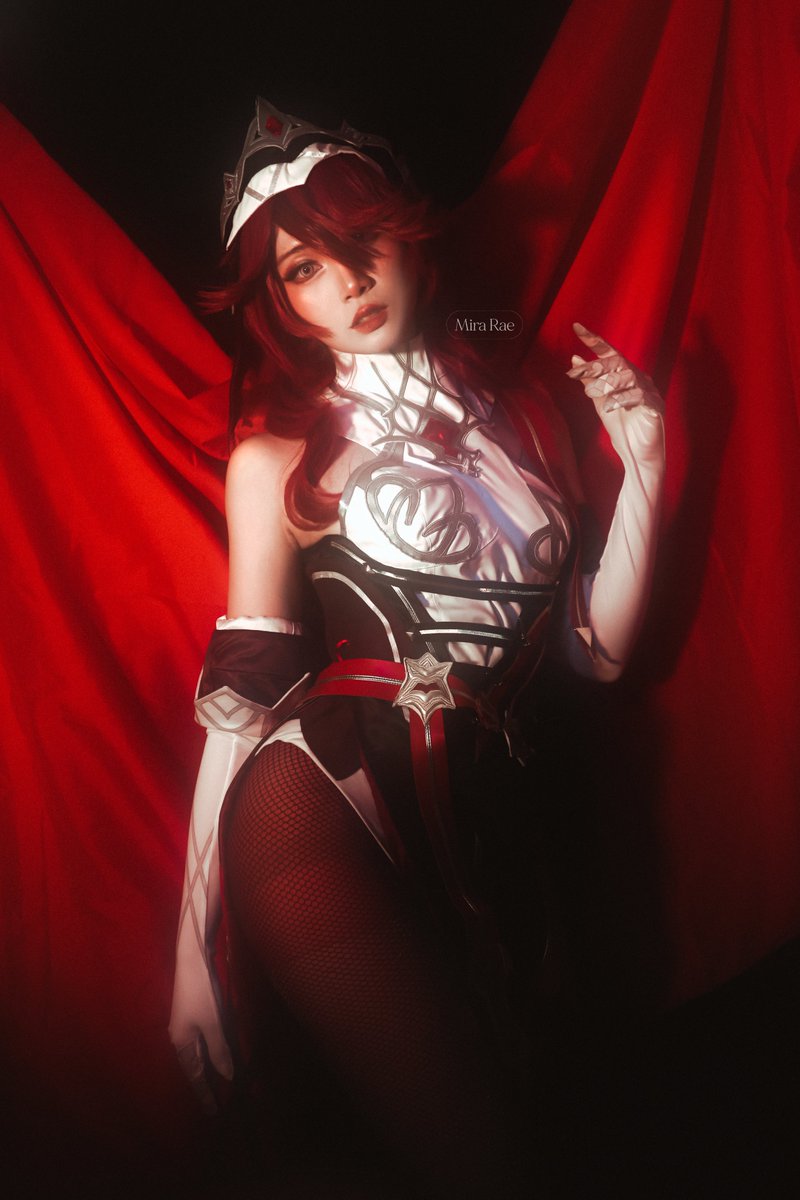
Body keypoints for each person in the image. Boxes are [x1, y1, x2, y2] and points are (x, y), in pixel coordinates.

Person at [168, 99, 665, 1197]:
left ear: (408, 233)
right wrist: (194, 956)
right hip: (315, 806)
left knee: (564, 1119)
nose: (347, 280)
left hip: (494, 810)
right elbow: (243, 705)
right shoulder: (277, 460)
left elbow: (597, 655)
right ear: (281, 305)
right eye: (304, 269)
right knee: (479, 1156)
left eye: (361, 239)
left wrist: (646, 460)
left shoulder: (523, 410)